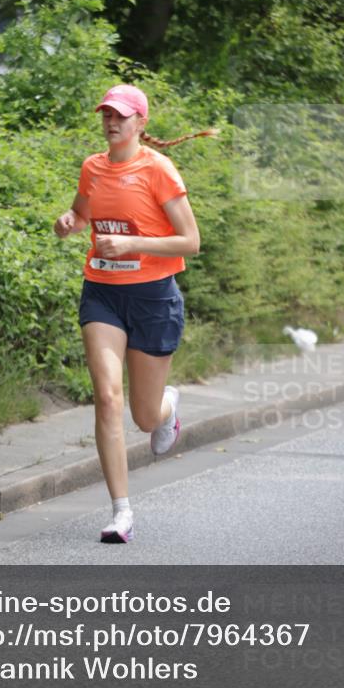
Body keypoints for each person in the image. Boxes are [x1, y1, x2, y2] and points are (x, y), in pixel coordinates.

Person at [53, 84, 219, 543]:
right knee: (107, 398)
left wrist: (132, 244)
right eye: (107, 114)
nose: (112, 122)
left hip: (152, 298)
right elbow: (81, 214)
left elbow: (191, 241)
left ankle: (168, 408)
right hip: (103, 294)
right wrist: (69, 223)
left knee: (144, 417)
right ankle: (120, 512)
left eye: (122, 116)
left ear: (141, 123)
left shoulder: (158, 169)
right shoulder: (93, 167)